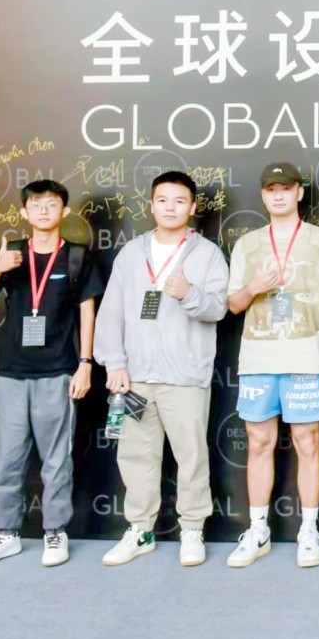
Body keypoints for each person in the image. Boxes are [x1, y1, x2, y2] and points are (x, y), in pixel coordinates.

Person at [0, 179, 103, 568]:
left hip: (58, 371)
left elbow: (87, 313)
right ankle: (5, 535)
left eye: (52, 204)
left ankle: (55, 531)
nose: (44, 210)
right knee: (7, 460)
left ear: (65, 211)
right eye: (36, 204)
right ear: (24, 212)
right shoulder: (10, 253)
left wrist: (85, 364)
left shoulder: (76, 256)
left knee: (57, 460)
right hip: (12, 373)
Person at [94, 171, 228, 567]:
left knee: (191, 457)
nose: (171, 207)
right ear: (151, 205)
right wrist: (115, 363)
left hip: (185, 376)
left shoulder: (207, 254)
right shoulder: (131, 254)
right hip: (135, 378)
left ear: (193, 207)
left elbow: (218, 308)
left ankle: (192, 529)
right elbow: (111, 312)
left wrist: (189, 294)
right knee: (136, 456)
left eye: (179, 200)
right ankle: (141, 530)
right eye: (163, 200)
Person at [224, 162, 319, 568]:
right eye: (271, 189)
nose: (278, 195)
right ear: (263, 195)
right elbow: (233, 304)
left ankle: (308, 530)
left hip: (307, 358)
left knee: (307, 442)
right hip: (259, 358)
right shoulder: (247, 244)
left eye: (286, 188)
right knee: (258, 443)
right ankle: (258, 530)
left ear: (299, 193)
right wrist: (255, 287)